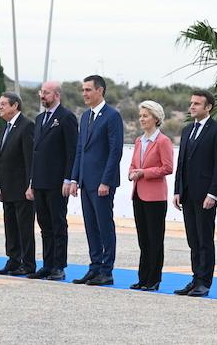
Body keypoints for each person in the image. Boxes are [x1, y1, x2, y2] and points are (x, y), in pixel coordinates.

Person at [173, 90, 217, 297]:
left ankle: (204, 282)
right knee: (193, 240)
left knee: (205, 239)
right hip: (187, 194)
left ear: (208, 107)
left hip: (205, 195)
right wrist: (178, 189)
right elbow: (181, 163)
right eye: (191, 103)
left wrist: (213, 194)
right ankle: (195, 278)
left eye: (197, 104)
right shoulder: (188, 130)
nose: (192, 107)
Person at [70, 75, 124, 286]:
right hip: (86, 182)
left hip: (102, 183)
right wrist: (75, 178)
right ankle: (94, 267)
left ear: (100, 91)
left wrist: (106, 181)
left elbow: (115, 151)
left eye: (88, 90)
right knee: (90, 226)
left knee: (104, 226)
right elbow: (80, 150)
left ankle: (106, 270)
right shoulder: (85, 117)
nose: (84, 93)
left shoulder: (112, 116)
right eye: (83, 90)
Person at [26, 81, 78, 281]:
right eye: (41, 92)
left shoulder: (66, 118)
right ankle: (47, 264)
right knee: (44, 224)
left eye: (46, 93)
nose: (42, 96)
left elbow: (71, 151)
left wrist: (68, 178)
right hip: (39, 181)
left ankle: (59, 265)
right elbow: (35, 152)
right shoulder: (40, 119)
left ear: (56, 94)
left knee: (58, 224)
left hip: (57, 182)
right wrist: (31, 181)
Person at [128, 100, 173, 291]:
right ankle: (143, 277)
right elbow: (133, 164)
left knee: (155, 239)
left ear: (156, 118)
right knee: (143, 239)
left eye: (145, 116)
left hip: (155, 197)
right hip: (138, 194)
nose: (141, 119)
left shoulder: (163, 141)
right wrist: (132, 173)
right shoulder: (139, 141)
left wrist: (144, 173)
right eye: (140, 116)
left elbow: (167, 167)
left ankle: (153, 279)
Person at [0, 92, 36, 276]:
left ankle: (27, 263)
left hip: (22, 187)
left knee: (24, 227)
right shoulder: (5, 127)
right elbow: (2, 159)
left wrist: (30, 184)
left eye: (3, 104)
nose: (0, 107)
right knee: (10, 226)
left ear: (15, 106)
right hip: (8, 186)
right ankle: (13, 260)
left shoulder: (26, 126)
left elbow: (29, 159)